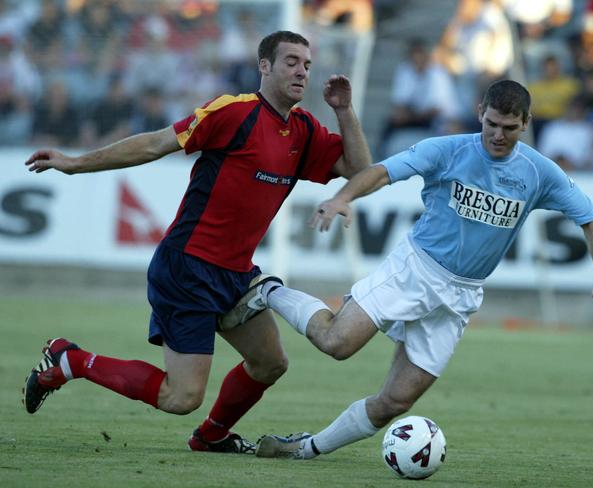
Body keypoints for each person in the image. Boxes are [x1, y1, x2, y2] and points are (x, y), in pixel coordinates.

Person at [222, 79, 593, 459]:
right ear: (479, 112)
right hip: (415, 269)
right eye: (492, 124)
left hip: (462, 295)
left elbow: (592, 218)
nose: (498, 135)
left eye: (510, 128)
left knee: (394, 402)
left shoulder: (538, 172)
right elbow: (382, 171)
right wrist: (344, 196)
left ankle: (306, 448)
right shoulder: (447, 150)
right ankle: (267, 289)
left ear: (526, 124)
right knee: (336, 344)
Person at [21, 30, 371, 454]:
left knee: (270, 362)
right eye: (292, 61)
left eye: (307, 65)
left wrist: (345, 110)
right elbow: (155, 144)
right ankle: (70, 360)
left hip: (237, 274)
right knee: (181, 397)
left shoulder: (304, 130)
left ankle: (212, 436)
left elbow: (358, 169)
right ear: (265, 65)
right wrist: (76, 164)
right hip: (188, 267)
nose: (302, 71)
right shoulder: (233, 113)